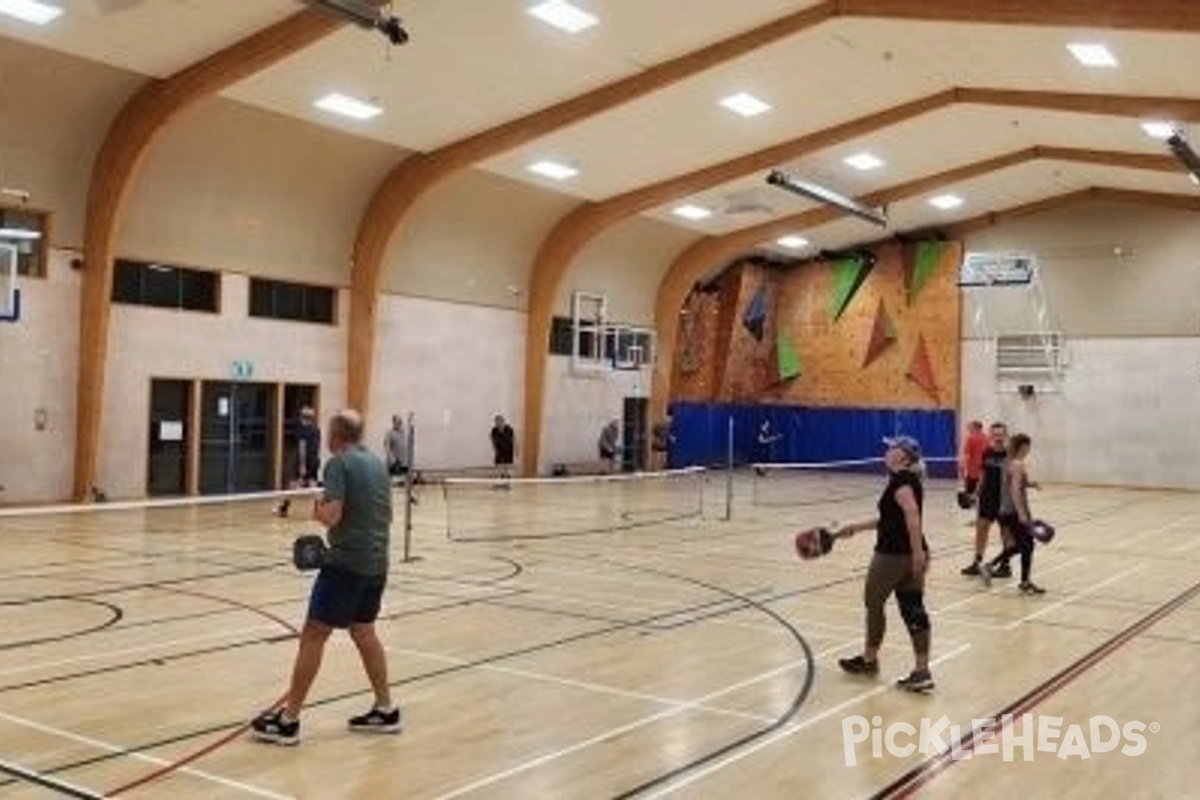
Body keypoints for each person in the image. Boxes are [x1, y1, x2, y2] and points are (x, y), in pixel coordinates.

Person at [252, 409, 398, 745]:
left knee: (314, 634)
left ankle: (288, 720)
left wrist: (317, 508)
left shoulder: (339, 464)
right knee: (363, 631)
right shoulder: (376, 463)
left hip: (346, 565)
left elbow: (331, 516)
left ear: (336, 435)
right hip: (378, 563)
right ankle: (386, 709)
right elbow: (386, 514)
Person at [836, 435, 934, 692]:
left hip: (892, 556)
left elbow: (912, 515)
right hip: (911, 553)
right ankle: (922, 671)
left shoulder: (901, 481)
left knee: (873, 602)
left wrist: (916, 554)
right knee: (913, 608)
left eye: (892, 448)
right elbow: (893, 520)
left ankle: (869, 660)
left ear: (902, 456)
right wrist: (857, 528)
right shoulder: (909, 480)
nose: (887, 451)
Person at [988, 434, 1045, 594]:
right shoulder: (1018, 464)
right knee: (1027, 545)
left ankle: (1021, 580)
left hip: (1006, 510)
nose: (1029, 450)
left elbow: (1015, 483)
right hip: (1014, 511)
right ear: (1023, 447)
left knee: (1022, 546)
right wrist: (1021, 513)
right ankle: (1023, 582)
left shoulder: (1008, 462)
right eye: (1028, 447)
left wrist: (1030, 484)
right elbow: (1014, 490)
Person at [961, 422, 1013, 579]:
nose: (998, 437)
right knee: (981, 529)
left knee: (1006, 532)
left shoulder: (1010, 454)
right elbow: (983, 475)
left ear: (1006, 435)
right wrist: (975, 493)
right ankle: (977, 562)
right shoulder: (987, 453)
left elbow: (1017, 477)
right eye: (995, 434)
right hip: (987, 498)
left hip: (1005, 499)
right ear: (991, 435)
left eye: (1001, 434)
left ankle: (1005, 566)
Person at [275, 406, 321, 518]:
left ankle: (284, 508)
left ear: (302, 417)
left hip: (304, 461)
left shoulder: (302, 430)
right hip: (314, 461)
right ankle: (317, 510)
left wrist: (302, 465)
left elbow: (302, 447)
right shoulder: (316, 429)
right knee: (313, 484)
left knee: (293, 484)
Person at [959, 419, 988, 507]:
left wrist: (962, 467)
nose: (969, 429)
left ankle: (972, 508)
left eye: (970, 427)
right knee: (983, 493)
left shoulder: (970, 438)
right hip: (985, 471)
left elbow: (966, 455)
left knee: (970, 493)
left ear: (976, 427)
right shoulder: (987, 438)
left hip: (973, 472)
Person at [490, 415, 516, 483]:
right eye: (496, 422)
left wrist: (516, 449)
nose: (498, 423)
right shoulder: (494, 430)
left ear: (503, 421)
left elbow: (512, 440)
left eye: (500, 421)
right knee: (498, 467)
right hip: (499, 451)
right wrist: (495, 448)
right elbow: (493, 440)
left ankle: (507, 483)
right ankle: (499, 482)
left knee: (507, 468)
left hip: (508, 451)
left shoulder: (509, 429)